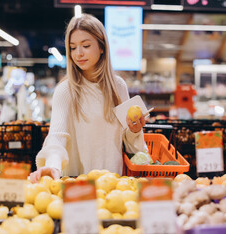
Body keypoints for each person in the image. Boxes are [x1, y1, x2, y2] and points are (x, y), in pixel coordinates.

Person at [29, 14, 147, 182]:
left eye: (85, 45)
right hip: (78, 185)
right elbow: (57, 135)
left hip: (113, 183)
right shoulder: (66, 89)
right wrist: (53, 165)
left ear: (101, 47)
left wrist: (135, 130)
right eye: (73, 47)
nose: (78, 53)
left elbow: (127, 142)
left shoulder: (118, 86)